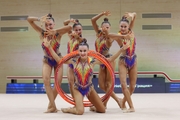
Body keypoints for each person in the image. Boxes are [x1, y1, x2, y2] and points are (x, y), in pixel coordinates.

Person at [43, 37, 130, 115]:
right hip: (78, 89)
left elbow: (110, 59)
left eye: (84, 51)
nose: (83, 53)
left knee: (102, 110)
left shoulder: (93, 61)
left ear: (88, 51)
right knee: (80, 111)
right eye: (80, 51)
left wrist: (122, 49)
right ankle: (70, 109)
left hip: (89, 88)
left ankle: (92, 107)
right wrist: (49, 47)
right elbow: (59, 60)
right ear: (78, 51)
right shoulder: (74, 60)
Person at [27, 13, 72, 113]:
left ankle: (51, 105)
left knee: (58, 83)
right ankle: (53, 106)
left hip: (57, 59)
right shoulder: (42, 33)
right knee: (46, 81)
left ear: (54, 24)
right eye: (47, 25)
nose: (48, 27)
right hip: (47, 60)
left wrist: (55, 31)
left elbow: (69, 27)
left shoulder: (58, 34)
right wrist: (39, 18)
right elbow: (29, 19)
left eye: (50, 24)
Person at [91, 11, 122, 108]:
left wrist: (107, 32)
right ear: (100, 28)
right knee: (101, 85)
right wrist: (102, 14)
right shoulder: (98, 34)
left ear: (110, 29)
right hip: (101, 60)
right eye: (103, 27)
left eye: (107, 28)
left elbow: (109, 38)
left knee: (108, 84)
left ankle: (105, 104)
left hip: (109, 60)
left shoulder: (110, 38)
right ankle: (117, 99)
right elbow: (92, 20)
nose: (105, 29)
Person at [108, 12, 137, 112]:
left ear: (128, 27)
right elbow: (109, 35)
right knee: (124, 84)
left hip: (133, 59)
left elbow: (135, 16)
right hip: (123, 60)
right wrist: (123, 37)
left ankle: (123, 102)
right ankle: (131, 107)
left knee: (132, 86)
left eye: (125, 26)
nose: (123, 28)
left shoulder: (130, 32)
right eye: (122, 26)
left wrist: (132, 14)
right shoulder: (118, 35)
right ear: (119, 27)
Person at [63, 19, 84, 98]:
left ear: (82, 30)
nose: (78, 31)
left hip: (78, 64)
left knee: (78, 83)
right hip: (70, 63)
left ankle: (79, 100)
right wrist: (70, 20)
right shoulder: (71, 37)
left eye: (80, 29)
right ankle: (75, 101)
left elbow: (82, 40)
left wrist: (77, 36)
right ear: (73, 30)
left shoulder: (81, 40)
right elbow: (65, 23)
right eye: (76, 30)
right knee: (70, 82)